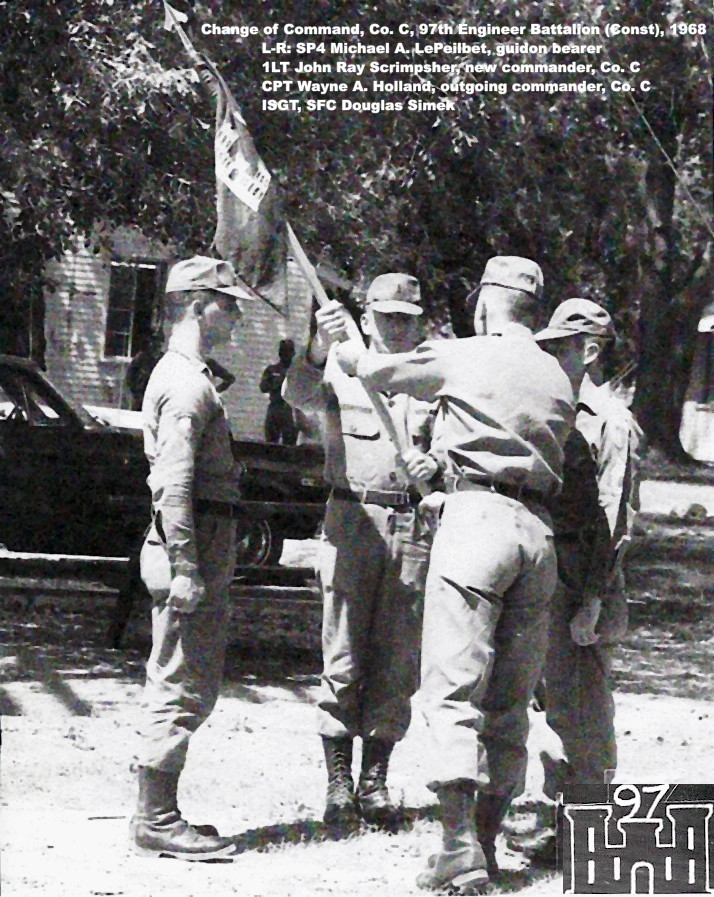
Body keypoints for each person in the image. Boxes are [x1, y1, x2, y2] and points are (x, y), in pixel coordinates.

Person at [334, 257, 574, 891]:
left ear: (486, 303)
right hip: (537, 534)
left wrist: (344, 338)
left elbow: (378, 372)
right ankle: (489, 843)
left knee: (451, 689)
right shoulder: (556, 372)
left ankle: (457, 847)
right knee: (511, 701)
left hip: (476, 524)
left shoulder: (467, 353)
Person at [284, 273, 440, 835]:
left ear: (418, 319)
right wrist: (319, 349)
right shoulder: (342, 367)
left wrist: (437, 468)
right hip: (351, 519)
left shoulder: (436, 376)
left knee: (398, 660)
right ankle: (337, 786)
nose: (395, 326)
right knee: (343, 653)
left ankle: (375, 783)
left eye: (406, 316)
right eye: (385, 316)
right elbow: (296, 396)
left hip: (414, 526)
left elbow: (457, 448)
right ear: (366, 316)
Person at [130, 255, 249, 860]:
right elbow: (172, 486)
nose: (235, 313)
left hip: (202, 539)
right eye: (227, 303)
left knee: (185, 679)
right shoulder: (184, 383)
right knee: (179, 682)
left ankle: (158, 812)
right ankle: (156, 818)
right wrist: (186, 567)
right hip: (191, 542)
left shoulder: (193, 376)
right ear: (197, 304)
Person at [533, 299, 643, 802]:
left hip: (585, 582)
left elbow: (615, 516)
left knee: (584, 708)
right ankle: (564, 818)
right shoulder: (555, 409)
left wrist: (592, 601)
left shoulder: (609, 421)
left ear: (590, 351)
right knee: (557, 703)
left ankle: (588, 822)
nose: (549, 357)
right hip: (553, 574)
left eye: (559, 348)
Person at [260, 338, 298, 444]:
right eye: (283, 350)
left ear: (293, 353)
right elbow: (263, 387)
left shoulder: (298, 371)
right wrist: (277, 382)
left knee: (289, 443)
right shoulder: (272, 369)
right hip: (275, 407)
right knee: (271, 441)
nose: (286, 354)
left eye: (289, 350)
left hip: (290, 409)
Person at [125, 329, 165, 410]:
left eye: (160, 341)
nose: (157, 344)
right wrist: (136, 394)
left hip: (156, 399)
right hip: (141, 397)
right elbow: (130, 377)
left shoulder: (164, 359)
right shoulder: (141, 357)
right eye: (155, 340)